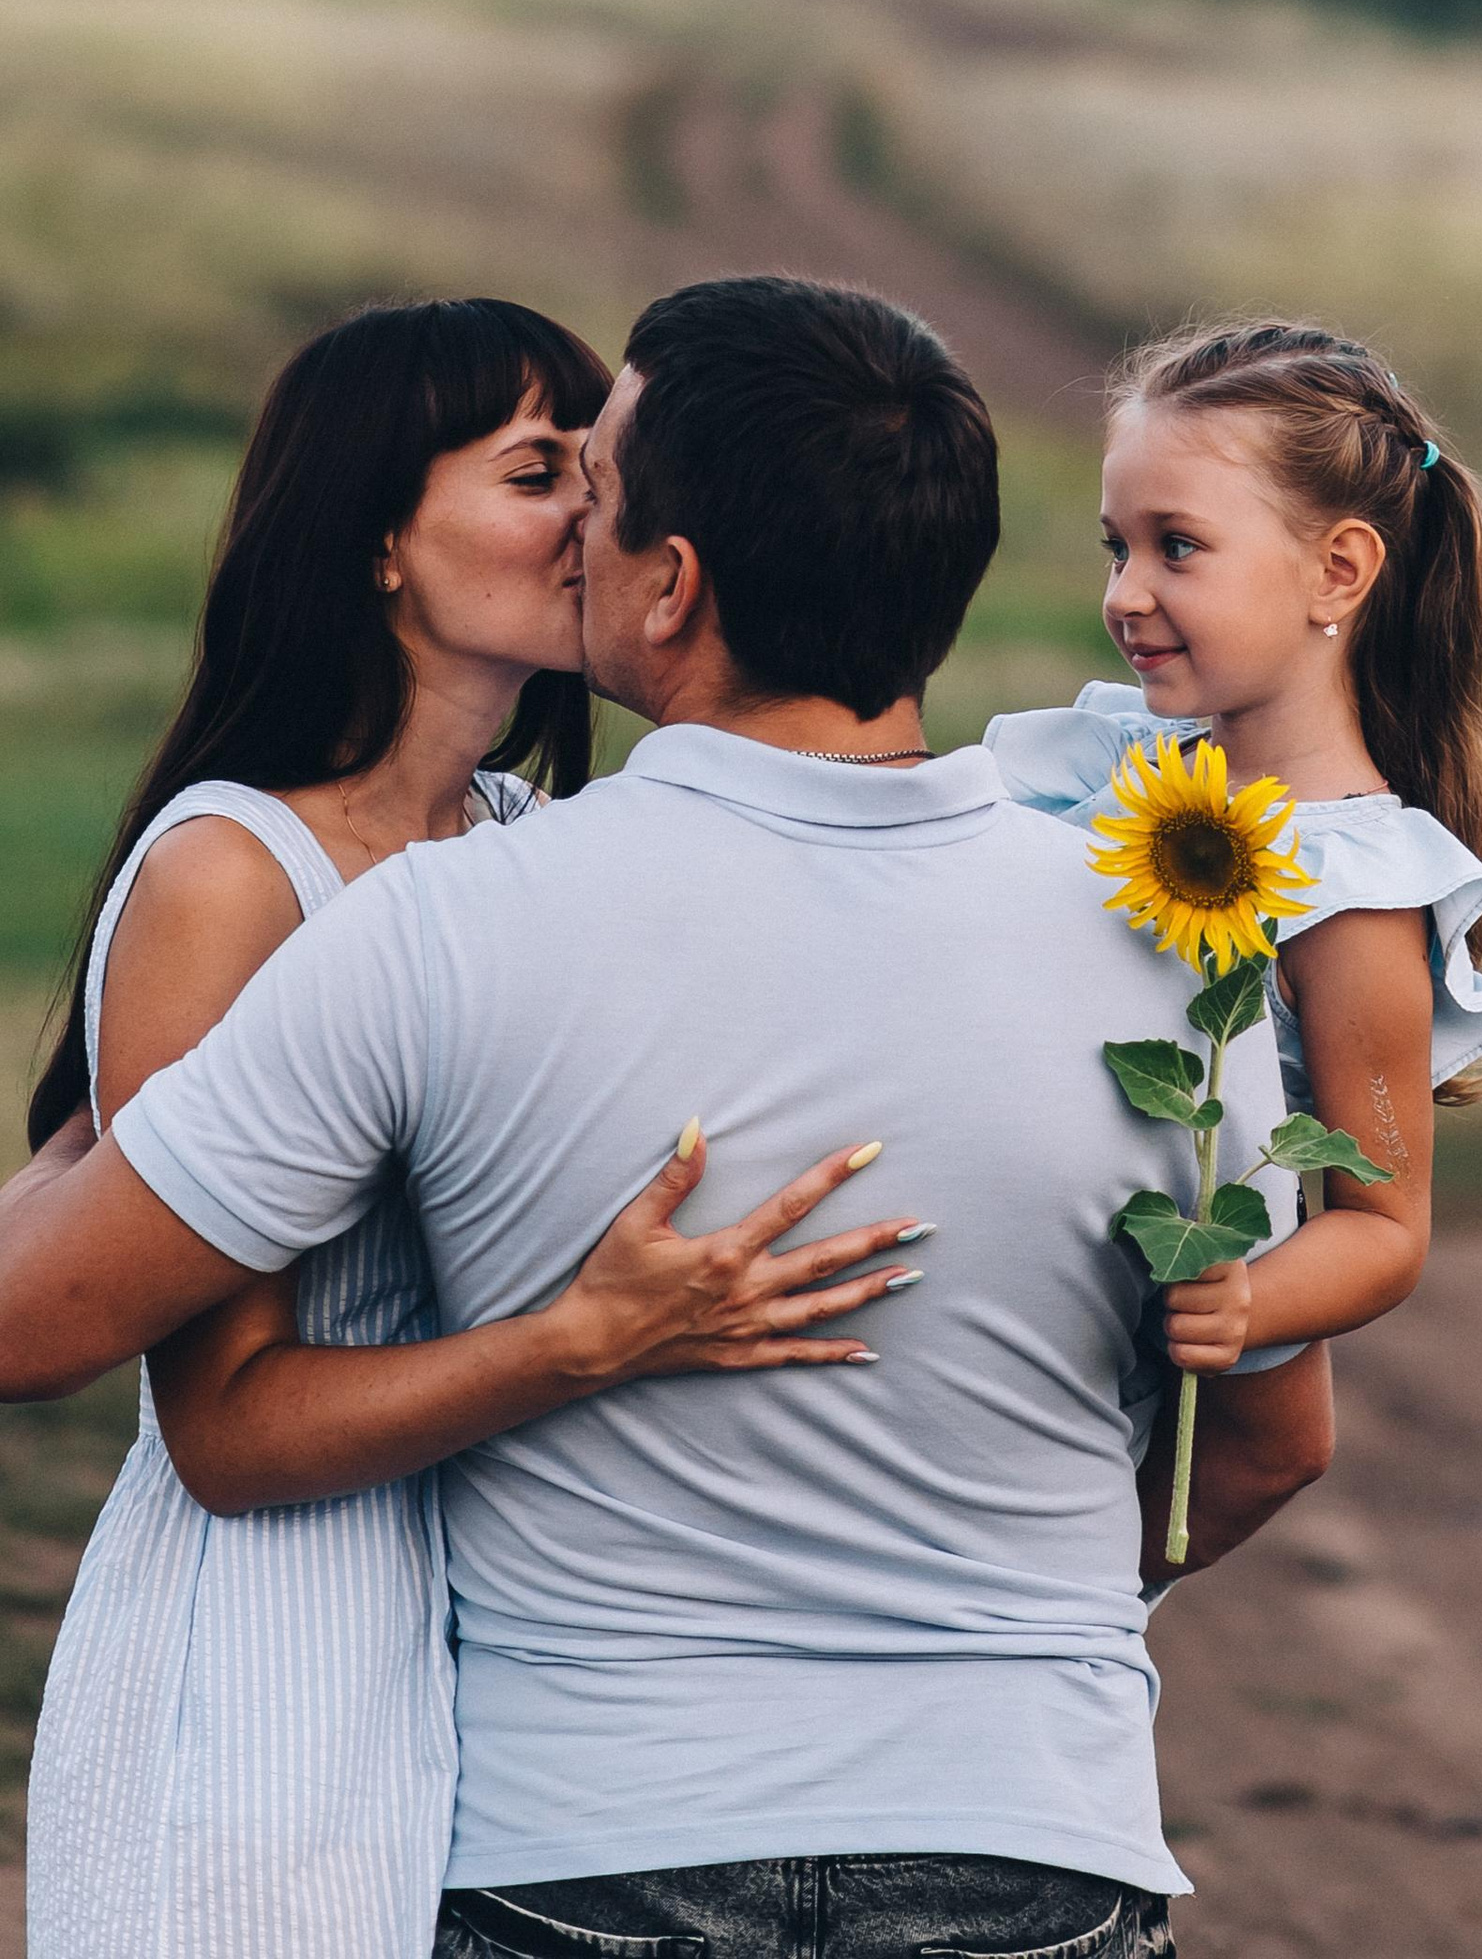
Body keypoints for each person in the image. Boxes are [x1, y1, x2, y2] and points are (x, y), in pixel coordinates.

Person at [0, 276, 1331, 1959]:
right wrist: (1005, 1628)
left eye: (599, 494)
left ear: (674, 583)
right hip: (1029, 1837)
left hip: (593, 1850)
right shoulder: (1177, 954)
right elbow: (1277, 1436)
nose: (576, 537)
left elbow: (44, 1317)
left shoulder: (447, 917)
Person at [15, 298, 921, 1959]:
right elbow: (202, 1405)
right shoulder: (234, 873)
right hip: (279, 1650)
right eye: (534, 472)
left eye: (600, 468)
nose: (594, 514)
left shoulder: (524, 840)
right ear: (377, 543)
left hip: (494, 1653)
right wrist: (582, 1340)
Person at [986, 319, 1482, 1379]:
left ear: (1337, 570)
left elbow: (1383, 1225)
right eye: (1117, 545)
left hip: (1123, 1334)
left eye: (1176, 546)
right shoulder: (1113, 757)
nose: (1125, 592)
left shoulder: (1351, 891)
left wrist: (1246, 1297)